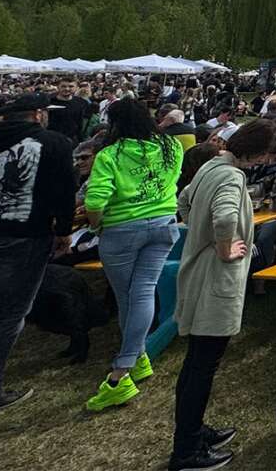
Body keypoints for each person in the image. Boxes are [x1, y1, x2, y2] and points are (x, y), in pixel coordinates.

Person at [168, 119, 276, 471]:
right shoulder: (232, 177)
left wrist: (198, 235)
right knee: (203, 365)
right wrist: (222, 247)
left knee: (197, 362)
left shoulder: (211, 164)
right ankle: (186, 449)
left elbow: (184, 202)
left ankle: (193, 430)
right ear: (255, 150)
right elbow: (224, 218)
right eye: (265, 153)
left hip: (199, 266)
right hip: (215, 277)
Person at [81, 97, 184, 411]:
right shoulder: (172, 148)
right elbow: (173, 181)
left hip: (122, 230)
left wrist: (97, 227)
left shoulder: (110, 155)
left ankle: (120, 372)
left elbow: (95, 202)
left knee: (132, 296)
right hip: (164, 224)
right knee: (138, 294)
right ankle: (138, 358)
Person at [0, 93, 75, 412]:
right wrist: (64, 230)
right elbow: (65, 190)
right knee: (10, 313)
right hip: (26, 235)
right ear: (38, 114)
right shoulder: (53, 143)